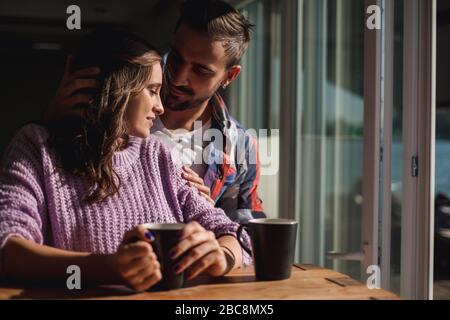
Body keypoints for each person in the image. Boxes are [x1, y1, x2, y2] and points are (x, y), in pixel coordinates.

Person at [0, 29, 250, 292]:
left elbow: (234, 235)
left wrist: (220, 256)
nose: (161, 107)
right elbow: (7, 247)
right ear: (119, 88)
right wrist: (111, 268)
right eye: (153, 91)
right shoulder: (36, 146)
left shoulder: (157, 155)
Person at [46, 0, 266, 223]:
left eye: (200, 70)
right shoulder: (120, 111)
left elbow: (245, 235)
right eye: (177, 57)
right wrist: (52, 122)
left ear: (229, 76)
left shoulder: (239, 146)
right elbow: (57, 195)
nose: (178, 77)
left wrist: (209, 217)